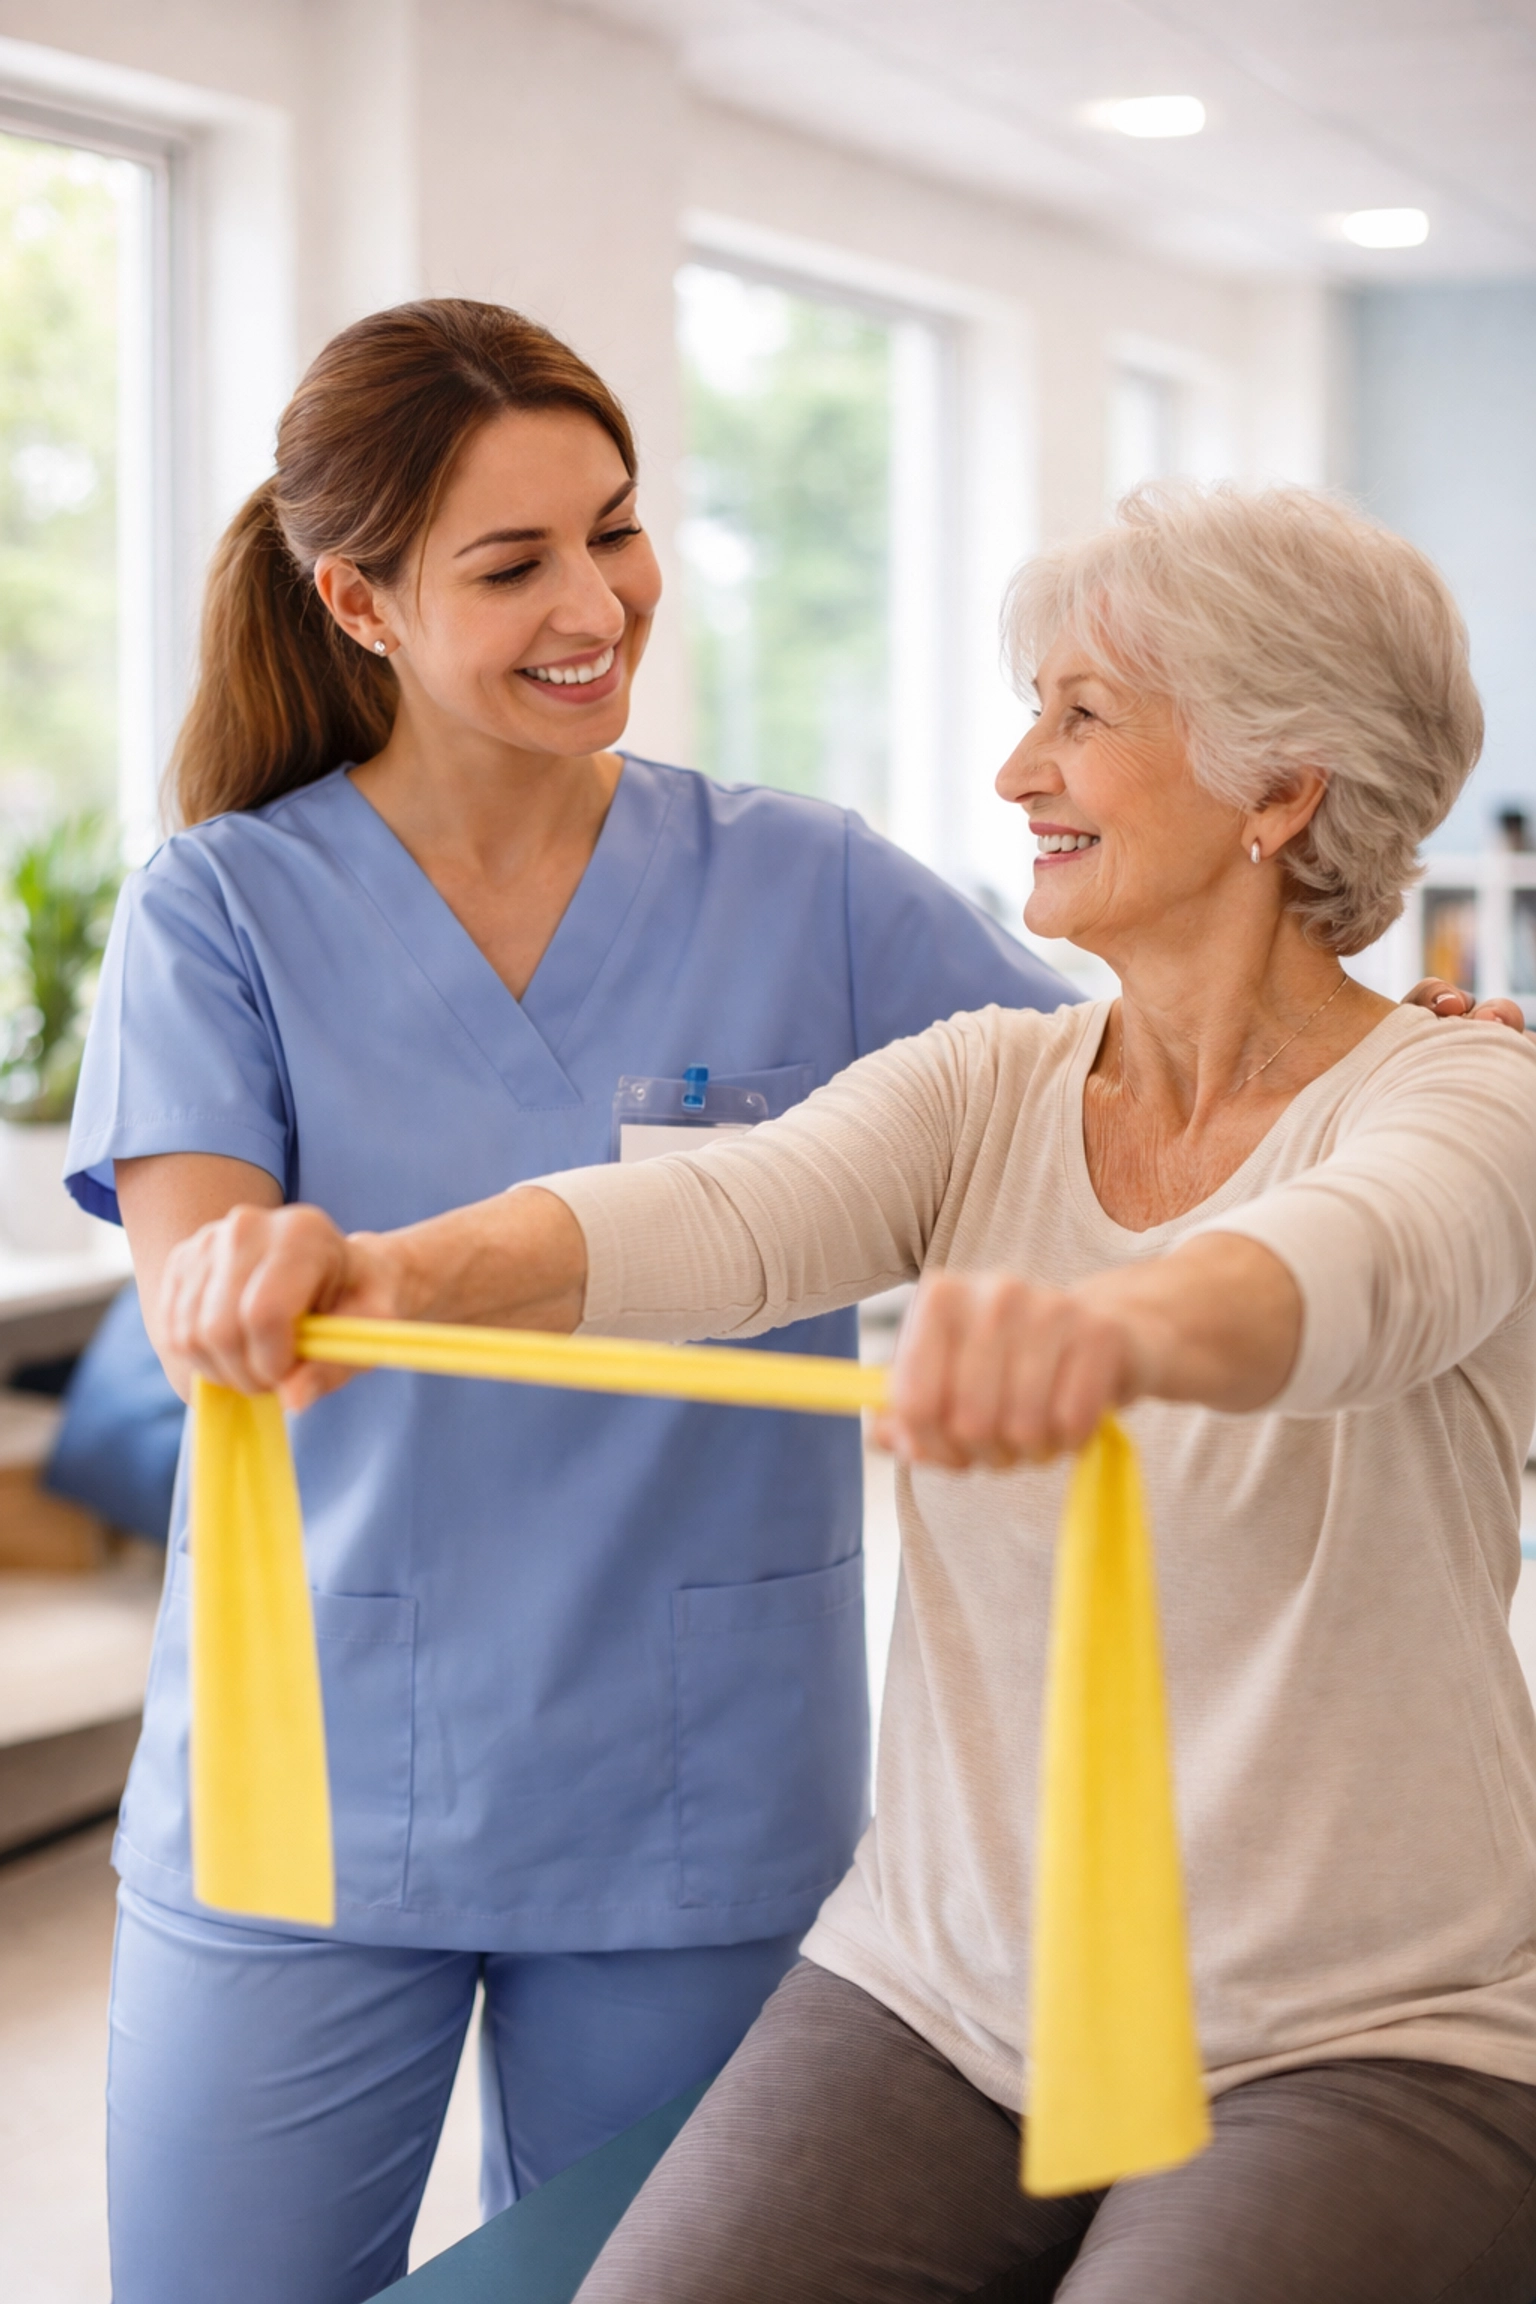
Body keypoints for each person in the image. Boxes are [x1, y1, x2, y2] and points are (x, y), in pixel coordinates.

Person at [173, 482, 1536, 2303]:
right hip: (946, 1991)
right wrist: (382, 1272)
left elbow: (1356, 1269)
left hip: (1361, 2032)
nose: (1017, 774)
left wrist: (1118, 1332)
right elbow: (719, 1213)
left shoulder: (1465, 1096)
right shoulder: (985, 1082)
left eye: (1081, 717)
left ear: (1280, 790)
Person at [64, 300, 1074, 2304]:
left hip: (694, 1785)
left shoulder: (810, 889)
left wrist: (1393, 1060)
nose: (596, 604)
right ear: (358, 601)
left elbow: (1133, 1118)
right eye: (512, 563)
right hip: (310, 1772)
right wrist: (238, 1281)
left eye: (613, 529)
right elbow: (202, 1268)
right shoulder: (224, 906)